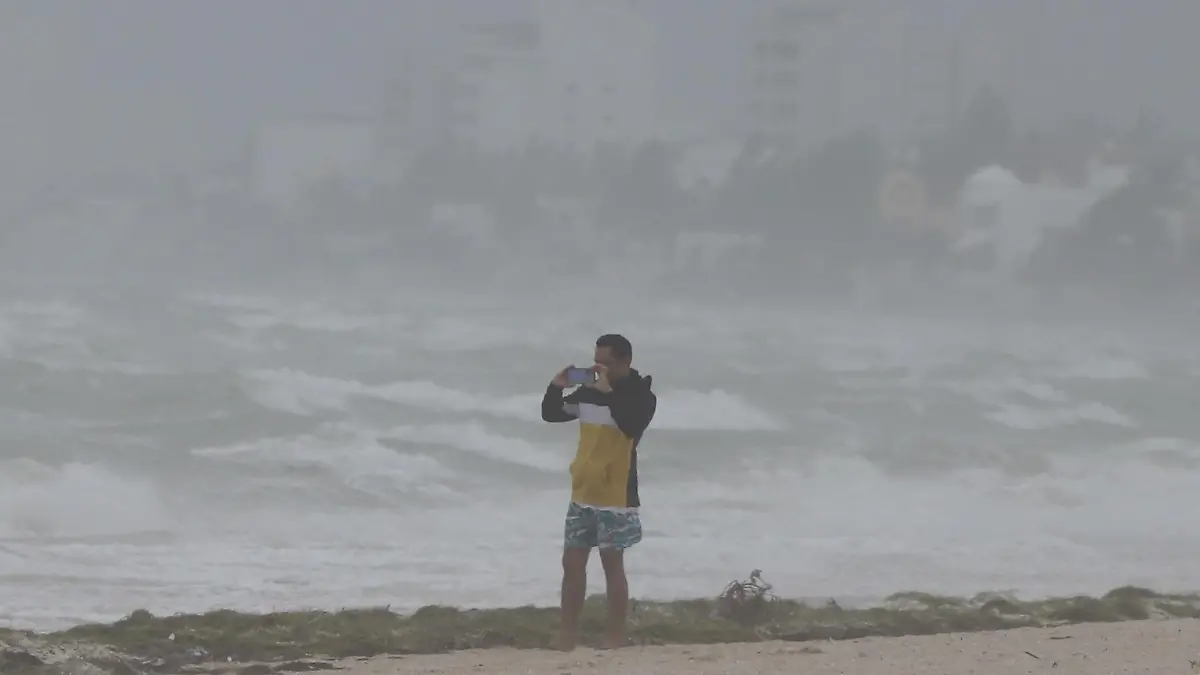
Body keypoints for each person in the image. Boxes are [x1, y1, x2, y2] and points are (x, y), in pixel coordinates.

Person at [541, 333, 657, 651]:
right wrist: (557, 385)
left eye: (606, 362)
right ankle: (567, 637)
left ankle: (616, 636)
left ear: (625, 362)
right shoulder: (588, 392)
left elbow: (632, 425)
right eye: (596, 361)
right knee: (572, 563)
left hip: (616, 496)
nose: (599, 367)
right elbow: (552, 414)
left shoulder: (641, 395)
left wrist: (609, 393)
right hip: (583, 492)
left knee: (611, 564)